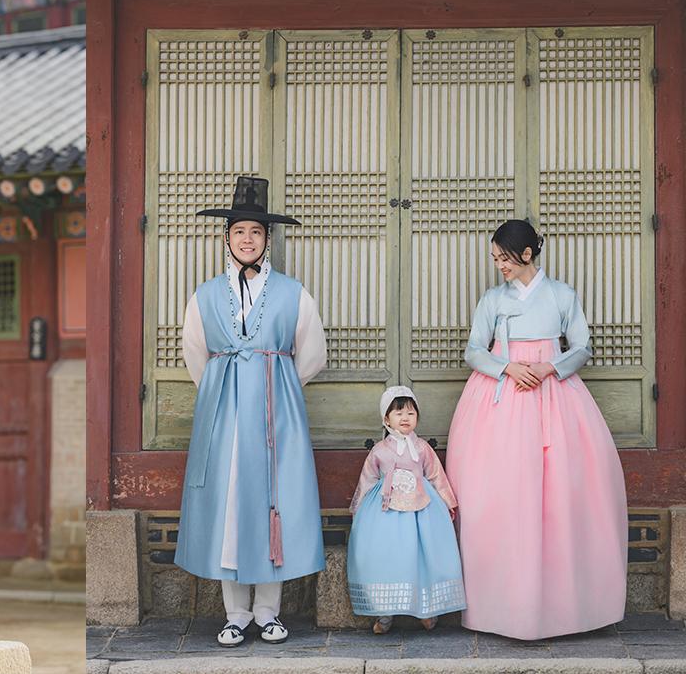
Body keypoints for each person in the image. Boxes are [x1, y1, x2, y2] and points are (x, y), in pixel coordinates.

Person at [445, 219, 627, 640]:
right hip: (501, 395)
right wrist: (507, 367)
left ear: (526, 254)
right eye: (495, 259)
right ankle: (502, 606)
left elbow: (581, 346)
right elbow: (474, 350)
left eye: (504, 258)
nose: (499, 266)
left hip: (554, 394)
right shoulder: (493, 299)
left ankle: (567, 607)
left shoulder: (562, 295)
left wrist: (549, 367)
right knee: (500, 494)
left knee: (564, 491)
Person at [174, 176, 327, 648]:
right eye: (239, 231)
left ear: (267, 239)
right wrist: (225, 388)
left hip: (275, 414)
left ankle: (268, 612)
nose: (247, 239)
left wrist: (275, 385)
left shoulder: (293, 293)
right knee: (230, 508)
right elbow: (196, 354)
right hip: (224, 417)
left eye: (256, 232)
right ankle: (235, 614)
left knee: (271, 503)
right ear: (227, 238)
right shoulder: (204, 295)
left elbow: (311, 355)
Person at [347, 386, 465, 634]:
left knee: (423, 556)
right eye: (398, 413)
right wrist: (359, 508)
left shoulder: (422, 448)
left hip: (422, 511)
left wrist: (447, 501)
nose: (405, 418)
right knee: (386, 557)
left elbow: (436, 475)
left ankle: (427, 611)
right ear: (386, 418)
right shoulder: (380, 450)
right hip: (385, 513)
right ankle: (384, 613)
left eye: (411, 413)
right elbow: (367, 479)